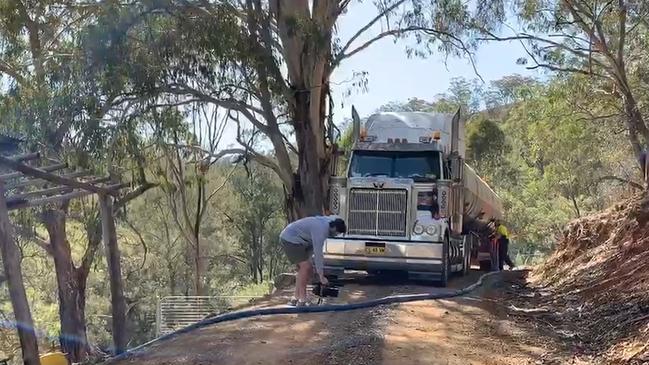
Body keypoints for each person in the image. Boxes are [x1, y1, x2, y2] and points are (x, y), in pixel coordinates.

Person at [280, 215, 347, 306]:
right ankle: (302, 300)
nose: (335, 235)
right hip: (290, 239)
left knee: (305, 269)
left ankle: (295, 298)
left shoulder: (329, 222)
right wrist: (321, 276)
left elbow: (312, 247)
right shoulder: (321, 230)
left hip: (302, 241)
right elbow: (318, 253)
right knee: (305, 267)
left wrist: (314, 266)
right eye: (336, 233)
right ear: (334, 227)